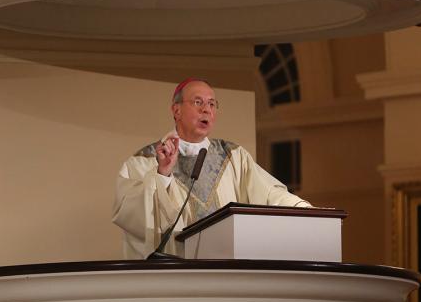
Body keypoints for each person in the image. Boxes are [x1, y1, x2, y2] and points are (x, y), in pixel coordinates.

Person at [112, 78, 311, 259]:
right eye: (198, 102)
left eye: (212, 104)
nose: (206, 109)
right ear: (176, 110)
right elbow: (133, 217)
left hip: (226, 273)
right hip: (173, 277)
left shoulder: (233, 156)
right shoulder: (145, 161)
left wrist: (305, 210)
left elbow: (270, 193)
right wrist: (162, 175)